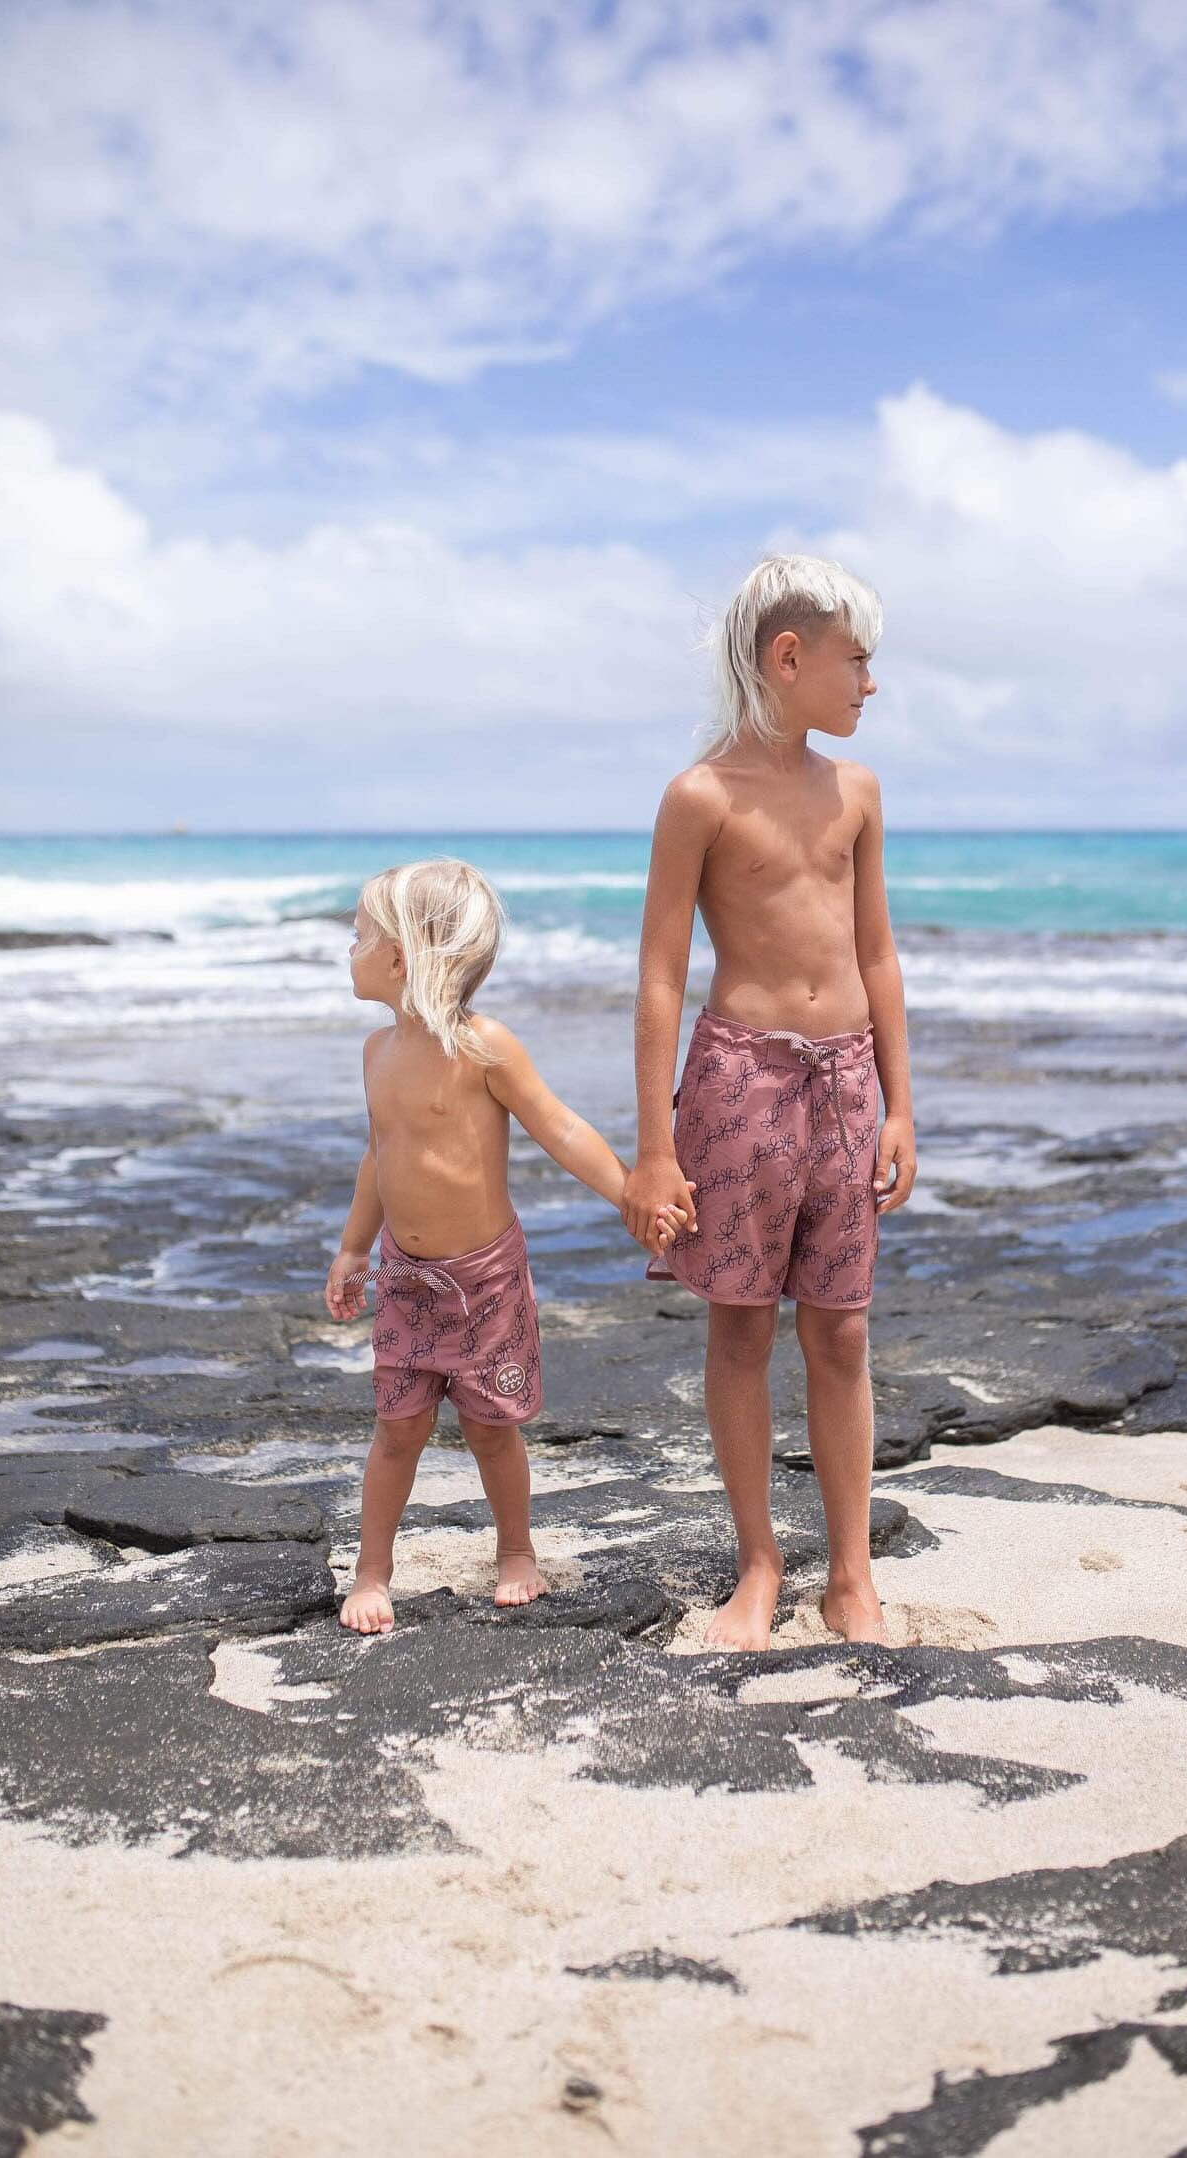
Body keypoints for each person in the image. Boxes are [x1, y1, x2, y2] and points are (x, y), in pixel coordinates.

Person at [622, 555, 916, 1649]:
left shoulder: (858, 792)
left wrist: (898, 1102)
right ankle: (758, 1564)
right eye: (856, 660)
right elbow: (658, 975)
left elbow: (877, 953)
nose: (869, 685)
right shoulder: (699, 797)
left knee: (840, 1332)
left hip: (842, 1085)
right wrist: (654, 1148)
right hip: (739, 1082)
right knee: (740, 1328)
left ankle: (852, 1575)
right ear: (786, 658)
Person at [326, 857, 685, 1634]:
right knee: (397, 1429)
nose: (347, 951)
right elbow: (378, 1157)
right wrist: (354, 1249)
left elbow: (558, 1127)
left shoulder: (483, 1046)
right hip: (407, 1279)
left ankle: (516, 1550)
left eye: (358, 936)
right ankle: (373, 1570)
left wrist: (629, 1188)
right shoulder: (375, 1054)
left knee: (492, 1427)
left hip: (485, 1280)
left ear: (400, 957)